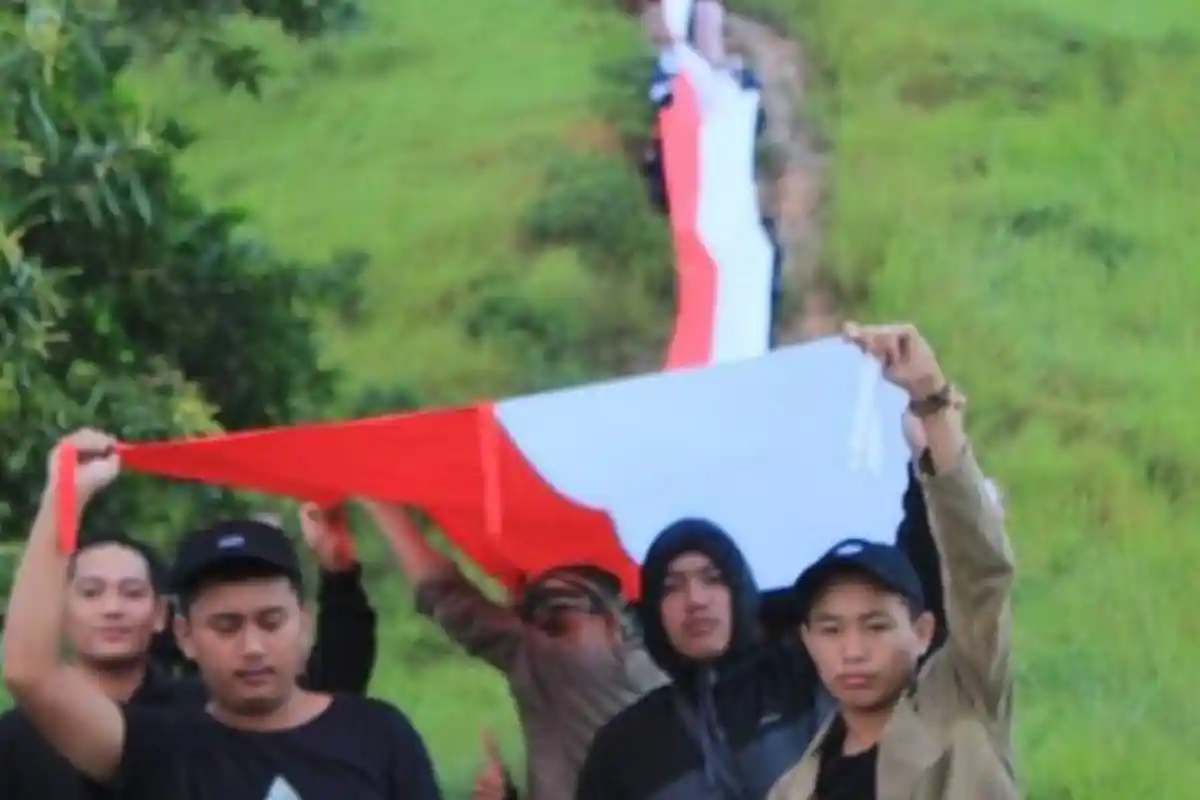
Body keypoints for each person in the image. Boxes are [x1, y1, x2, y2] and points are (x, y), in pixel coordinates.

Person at [575, 324, 957, 800]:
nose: (695, 600)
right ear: (652, 610)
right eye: (672, 587)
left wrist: (928, 455)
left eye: (712, 579)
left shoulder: (814, 675)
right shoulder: (625, 746)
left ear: (739, 592)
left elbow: (916, 589)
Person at [2, 429, 439, 799]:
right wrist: (62, 499)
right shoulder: (161, 747)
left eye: (271, 622)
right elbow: (29, 674)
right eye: (226, 626)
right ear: (185, 635)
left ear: (303, 622)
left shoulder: (378, 734)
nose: (253, 647)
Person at [767, 322, 1018, 799]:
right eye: (831, 630)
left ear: (922, 632)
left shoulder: (961, 707)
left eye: (876, 626)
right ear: (807, 641)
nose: (854, 651)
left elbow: (979, 571)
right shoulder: (791, 790)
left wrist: (931, 402)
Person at [0, 517, 377, 800]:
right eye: (91, 592)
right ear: (60, 609)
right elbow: (28, 673)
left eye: (132, 592)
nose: (112, 608)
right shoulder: (16, 734)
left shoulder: (202, 714)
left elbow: (325, 698)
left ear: (162, 615)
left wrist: (340, 580)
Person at [354, 501, 665, 800]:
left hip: (602, 568)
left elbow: (450, 602)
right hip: (589, 566)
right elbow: (449, 601)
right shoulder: (562, 657)